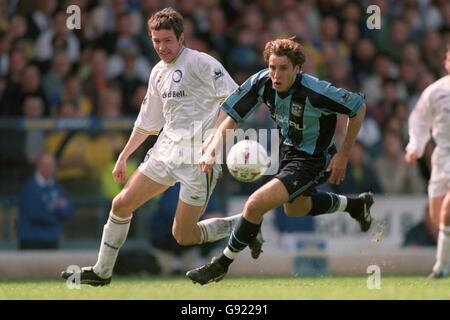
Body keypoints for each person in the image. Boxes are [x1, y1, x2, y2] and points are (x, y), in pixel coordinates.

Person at [61, 7, 262, 286]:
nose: (161, 47)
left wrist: (213, 144)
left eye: (167, 40)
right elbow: (147, 122)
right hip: (165, 152)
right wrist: (124, 155)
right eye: (156, 41)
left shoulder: (202, 63)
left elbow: (236, 102)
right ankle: (102, 271)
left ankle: (245, 223)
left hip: (197, 159)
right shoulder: (157, 72)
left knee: (183, 235)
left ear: (182, 38)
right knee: (120, 204)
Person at [186, 37, 374, 285]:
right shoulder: (262, 82)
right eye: (273, 67)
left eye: (283, 68)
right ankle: (356, 206)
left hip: (314, 159)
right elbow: (233, 114)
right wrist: (212, 148)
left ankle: (221, 264)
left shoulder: (316, 92)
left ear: (297, 69)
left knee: (254, 205)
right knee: (295, 209)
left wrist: (344, 155)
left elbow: (358, 107)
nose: (276, 74)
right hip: (288, 151)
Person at [404, 44, 450, 279]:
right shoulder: (435, 92)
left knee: (447, 211)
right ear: (446, 61)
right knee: (437, 217)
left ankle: (440, 267)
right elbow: (419, 122)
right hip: (442, 158)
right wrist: (415, 147)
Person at [16, 153, 73, 249]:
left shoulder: (56, 187)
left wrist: (50, 209)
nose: (49, 168)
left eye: (52, 165)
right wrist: (56, 212)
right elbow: (35, 214)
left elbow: (68, 211)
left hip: (51, 239)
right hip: (31, 240)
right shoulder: (30, 187)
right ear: (39, 166)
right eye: (46, 165)